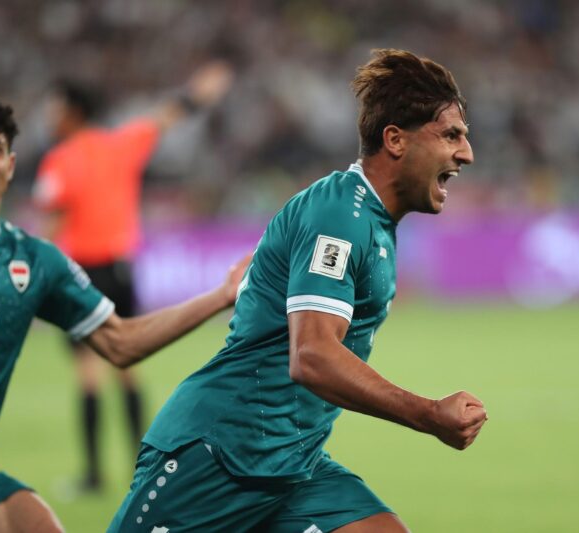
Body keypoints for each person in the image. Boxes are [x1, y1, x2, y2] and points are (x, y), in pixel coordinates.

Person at [108, 49, 487, 533]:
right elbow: (312, 356)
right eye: (451, 135)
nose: (466, 154)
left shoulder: (372, 223)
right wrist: (429, 414)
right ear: (394, 139)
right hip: (220, 456)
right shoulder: (338, 217)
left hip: (292, 464)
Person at [0, 91, 246, 533]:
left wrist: (220, 296)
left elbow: (120, 341)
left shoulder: (34, 261)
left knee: (37, 523)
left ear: (11, 165)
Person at [32, 62, 233, 492]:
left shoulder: (61, 159)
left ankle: (92, 476)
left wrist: (32, 266)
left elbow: (50, 218)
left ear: (71, 109)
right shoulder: (121, 143)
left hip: (83, 273)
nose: (48, 113)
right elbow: (168, 114)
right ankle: (143, 466)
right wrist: (200, 92)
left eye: (53, 105)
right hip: (121, 268)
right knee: (128, 369)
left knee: (87, 372)